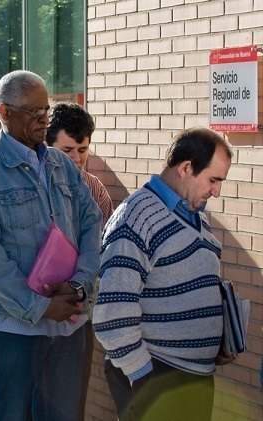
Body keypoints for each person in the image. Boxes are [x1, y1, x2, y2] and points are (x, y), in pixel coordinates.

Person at [0, 70, 102, 420]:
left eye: (46, 110)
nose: (44, 119)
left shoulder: (62, 165)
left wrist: (80, 284)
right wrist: (39, 307)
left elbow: (91, 223)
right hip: (13, 332)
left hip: (68, 325)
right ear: (5, 113)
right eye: (34, 112)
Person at [93, 128, 235, 421]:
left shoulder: (195, 215)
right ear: (185, 168)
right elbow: (112, 313)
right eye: (213, 180)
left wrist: (217, 340)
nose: (217, 191)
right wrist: (143, 376)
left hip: (193, 377)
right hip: (158, 378)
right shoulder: (137, 216)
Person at [45, 101, 113, 420]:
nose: (76, 158)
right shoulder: (31, 186)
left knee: (71, 403)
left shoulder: (95, 190)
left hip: (77, 313)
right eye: (67, 149)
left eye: (82, 149)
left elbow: (106, 250)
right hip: (30, 310)